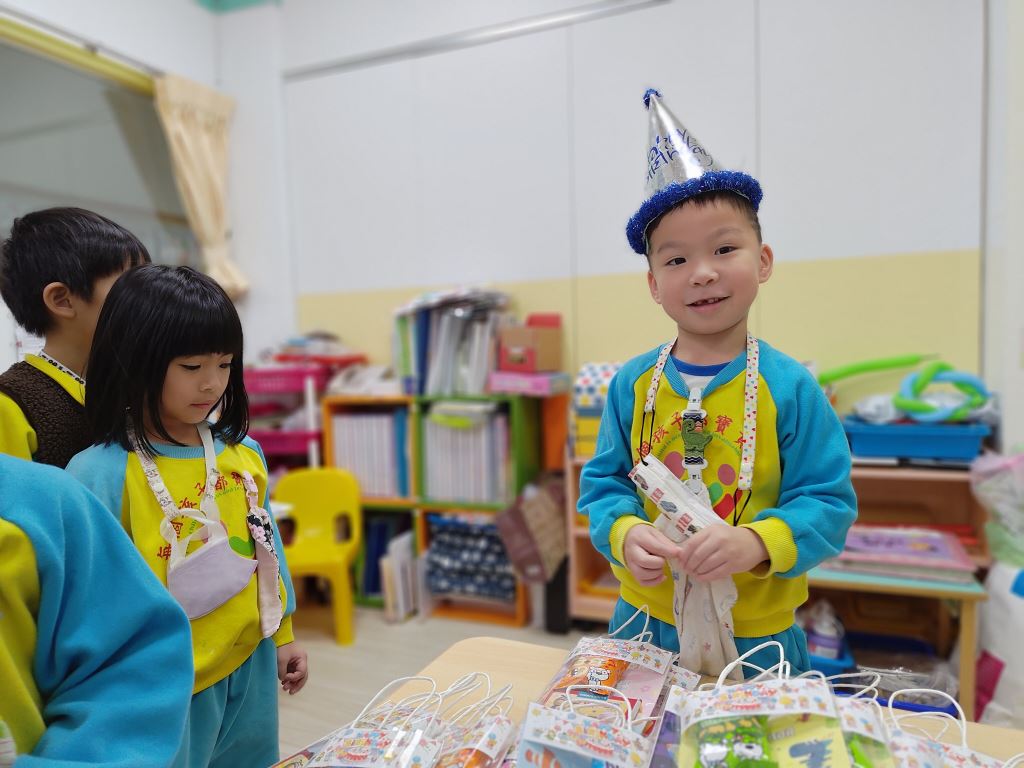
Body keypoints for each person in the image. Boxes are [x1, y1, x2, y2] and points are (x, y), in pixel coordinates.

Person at [579, 90, 857, 674]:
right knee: (641, 728)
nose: (702, 273)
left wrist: (757, 543)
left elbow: (828, 501)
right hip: (643, 621)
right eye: (676, 260)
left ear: (763, 261)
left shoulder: (792, 389)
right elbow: (603, 485)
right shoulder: (631, 385)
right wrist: (624, 531)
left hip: (757, 635)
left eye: (725, 249)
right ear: (654, 285)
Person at [67, 264, 307, 767]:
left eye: (225, 364)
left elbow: (268, 550)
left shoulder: (244, 454)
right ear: (135, 361)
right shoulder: (100, 473)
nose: (212, 384)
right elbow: (89, 599)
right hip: (165, 685)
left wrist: (282, 635)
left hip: (251, 658)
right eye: (192, 366)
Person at [0, 453, 193, 766]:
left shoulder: (41, 501)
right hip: (168, 679)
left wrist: (277, 630)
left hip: (220, 657)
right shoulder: (95, 469)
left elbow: (265, 540)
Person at [0, 207, 150, 466]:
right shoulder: (11, 404)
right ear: (62, 300)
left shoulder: (142, 387)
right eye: (132, 286)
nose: (151, 298)